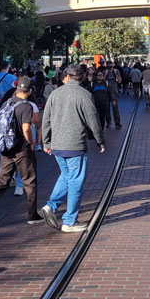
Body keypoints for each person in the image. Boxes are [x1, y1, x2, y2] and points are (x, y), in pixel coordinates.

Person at [40, 64, 105, 233]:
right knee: (76, 181)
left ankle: (50, 206)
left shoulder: (55, 94)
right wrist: (99, 140)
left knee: (65, 176)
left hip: (57, 144)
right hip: (75, 145)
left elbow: (45, 119)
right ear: (81, 78)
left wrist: (46, 142)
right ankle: (69, 220)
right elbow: (93, 120)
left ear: (67, 76)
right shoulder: (84, 95)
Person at [0, 77, 43, 229]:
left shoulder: (7, 102)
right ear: (30, 91)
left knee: (1, 181)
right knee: (30, 181)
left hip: (6, 147)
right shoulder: (26, 106)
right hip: (21, 149)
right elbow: (26, 129)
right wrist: (31, 143)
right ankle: (32, 215)